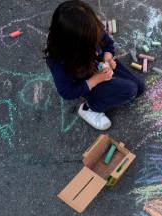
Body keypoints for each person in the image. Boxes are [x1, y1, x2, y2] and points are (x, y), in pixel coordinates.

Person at [44, 0, 145, 130]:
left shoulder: (91, 29)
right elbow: (67, 92)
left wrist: (108, 58)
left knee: (139, 89)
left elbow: (108, 44)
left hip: (100, 65)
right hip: (87, 81)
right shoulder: (59, 61)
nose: (95, 40)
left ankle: (109, 85)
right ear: (74, 44)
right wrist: (96, 79)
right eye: (89, 43)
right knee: (130, 90)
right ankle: (89, 108)